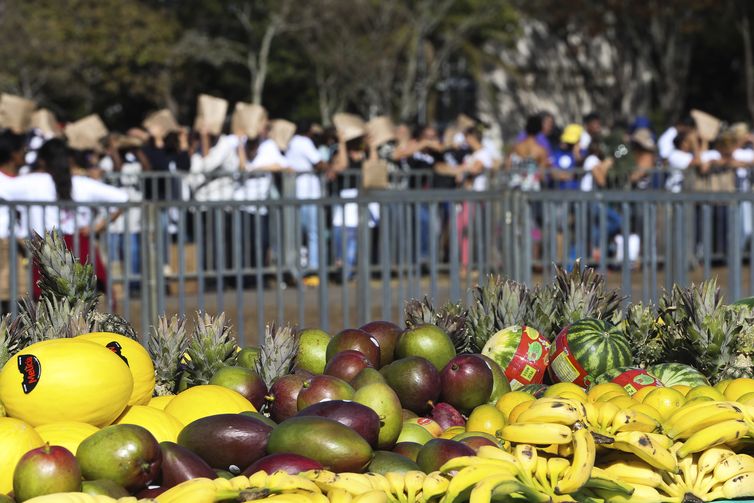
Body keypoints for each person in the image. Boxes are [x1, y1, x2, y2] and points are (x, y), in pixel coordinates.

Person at [0, 138, 128, 301]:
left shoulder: (32, 182)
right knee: (83, 306)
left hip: (47, 252)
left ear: (42, 160)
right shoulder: (82, 183)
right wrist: (97, 227)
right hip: (79, 248)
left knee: (49, 308)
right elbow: (123, 199)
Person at [286, 121, 326, 285]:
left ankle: (296, 271)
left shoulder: (290, 142)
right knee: (313, 234)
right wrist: (329, 167)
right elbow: (319, 163)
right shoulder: (304, 142)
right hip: (309, 194)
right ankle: (313, 270)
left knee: (296, 236)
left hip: (294, 194)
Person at [0, 130, 26, 314]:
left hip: (15, 244)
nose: (25, 154)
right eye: (22, 150)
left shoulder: (21, 180)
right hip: (4, 243)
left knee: (15, 298)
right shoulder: (7, 182)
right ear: (13, 154)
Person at [507, 115, 551, 191]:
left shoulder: (516, 147)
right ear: (539, 129)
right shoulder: (541, 150)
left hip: (516, 188)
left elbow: (508, 166)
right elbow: (542, 173)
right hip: (532, 189)